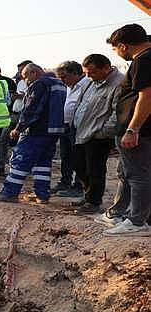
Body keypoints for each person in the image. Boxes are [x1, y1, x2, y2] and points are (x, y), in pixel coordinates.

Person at [99, 24, 151, 236]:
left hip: (139, 129)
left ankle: (137, 221)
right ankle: (127, 214)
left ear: (122, 45)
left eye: (115, 49)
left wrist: (132, 129)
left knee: (137, 175)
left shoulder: (143, 60)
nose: (117, 54)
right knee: (130, 173)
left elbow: (146, 96)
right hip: (141, 129)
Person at [0, 63, 67, 203]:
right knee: (42, 163)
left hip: (37, 131)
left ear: (34, 73)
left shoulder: (39, 84)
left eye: (25, 77)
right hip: (54, 131)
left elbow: (32, 109)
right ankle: (42, 195)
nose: (25, 81)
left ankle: (9, 192)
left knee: (20, 160)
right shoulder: (59, 84)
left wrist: (19, 128)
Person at [71, 54, 124, 214]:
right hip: (82, 131)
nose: (88, 76)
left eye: (92, 72)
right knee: (79, 165)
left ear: (106, 68)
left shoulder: (119, 83)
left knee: (95, 169)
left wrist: (103, 132)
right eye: (86, 72)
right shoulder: (90, 82)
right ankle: (88, 196)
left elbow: (118, 113)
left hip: (98, 135)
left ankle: (93, 201)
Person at [54, 61, 90, 197]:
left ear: (75, 73)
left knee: (78, 158)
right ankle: (65, 182)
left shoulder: (87, 84)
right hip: (66, 125)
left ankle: (78, 186)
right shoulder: (69, 86)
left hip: (79, 127)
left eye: (64, 77)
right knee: (66, 156)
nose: (63, 80)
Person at [0, 62, 18, 176]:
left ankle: (1, 165)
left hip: (7, 116)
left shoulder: (8, 82)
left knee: (3, 140)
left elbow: (10, 99)